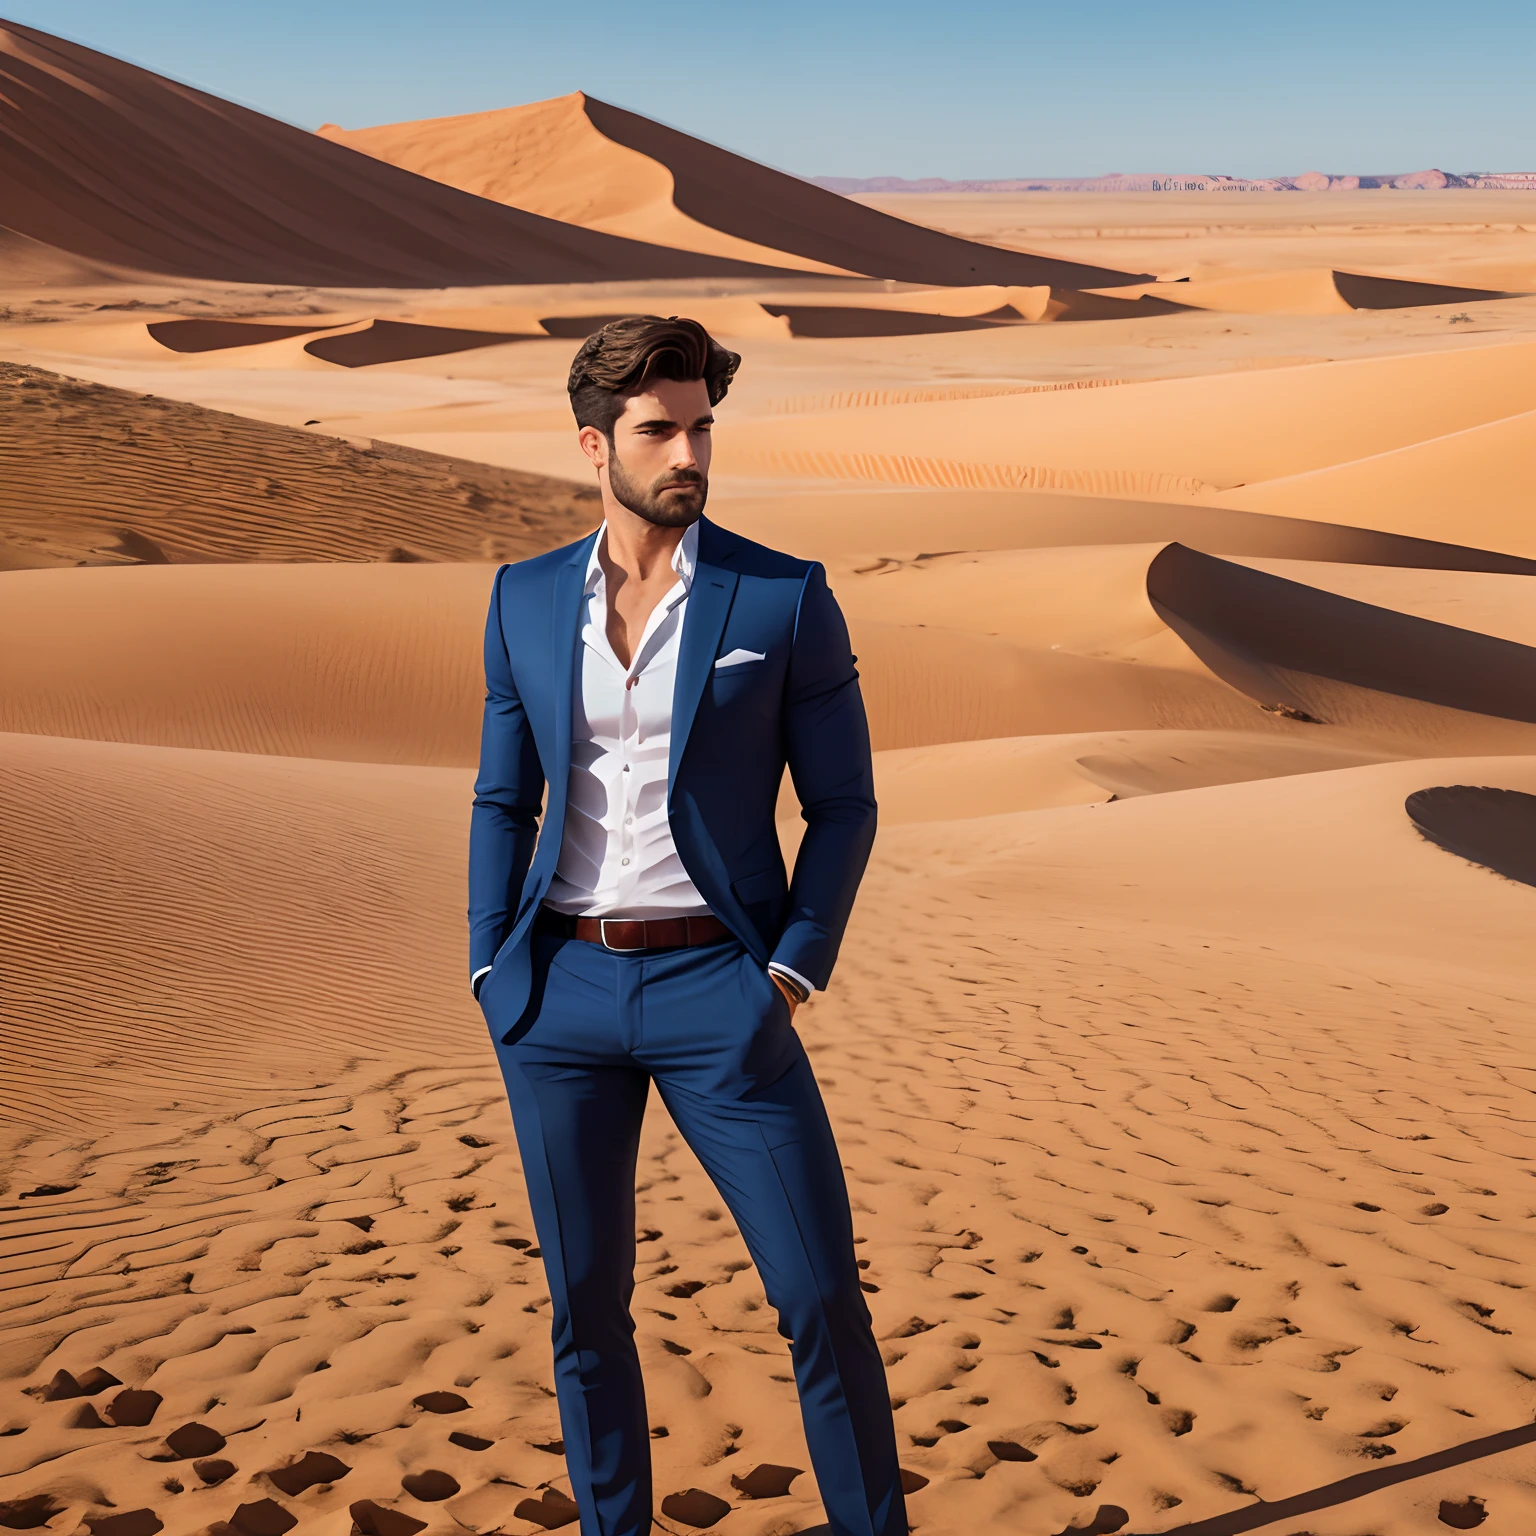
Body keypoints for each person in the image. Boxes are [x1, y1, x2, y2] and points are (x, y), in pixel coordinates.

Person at [467, 315, 905, 1536]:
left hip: (726, 995)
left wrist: (792, 974)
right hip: (558, 997)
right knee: (586, 1311)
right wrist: (488, 967)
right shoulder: (522, 598)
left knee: (820, 1299)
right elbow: (505, 794)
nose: (688, 452)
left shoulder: (783, 596)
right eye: (660, 429)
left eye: (702, 425)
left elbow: (846, 805)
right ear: (593, 445)